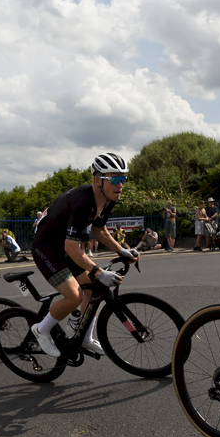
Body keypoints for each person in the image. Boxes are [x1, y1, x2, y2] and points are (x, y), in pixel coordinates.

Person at [29, 153, 138, 358]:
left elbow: (99, 229)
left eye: (123, 179)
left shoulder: (108, 198)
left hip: (63, 246)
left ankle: (85, 338)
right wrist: (98, 271)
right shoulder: (82, 202)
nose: (120, 184)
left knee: (93, 290)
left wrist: (121, 249)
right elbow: (72, 248)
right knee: (74, 295)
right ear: (98, 180)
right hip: (47, 247)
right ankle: (41, 330)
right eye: (114, 179)